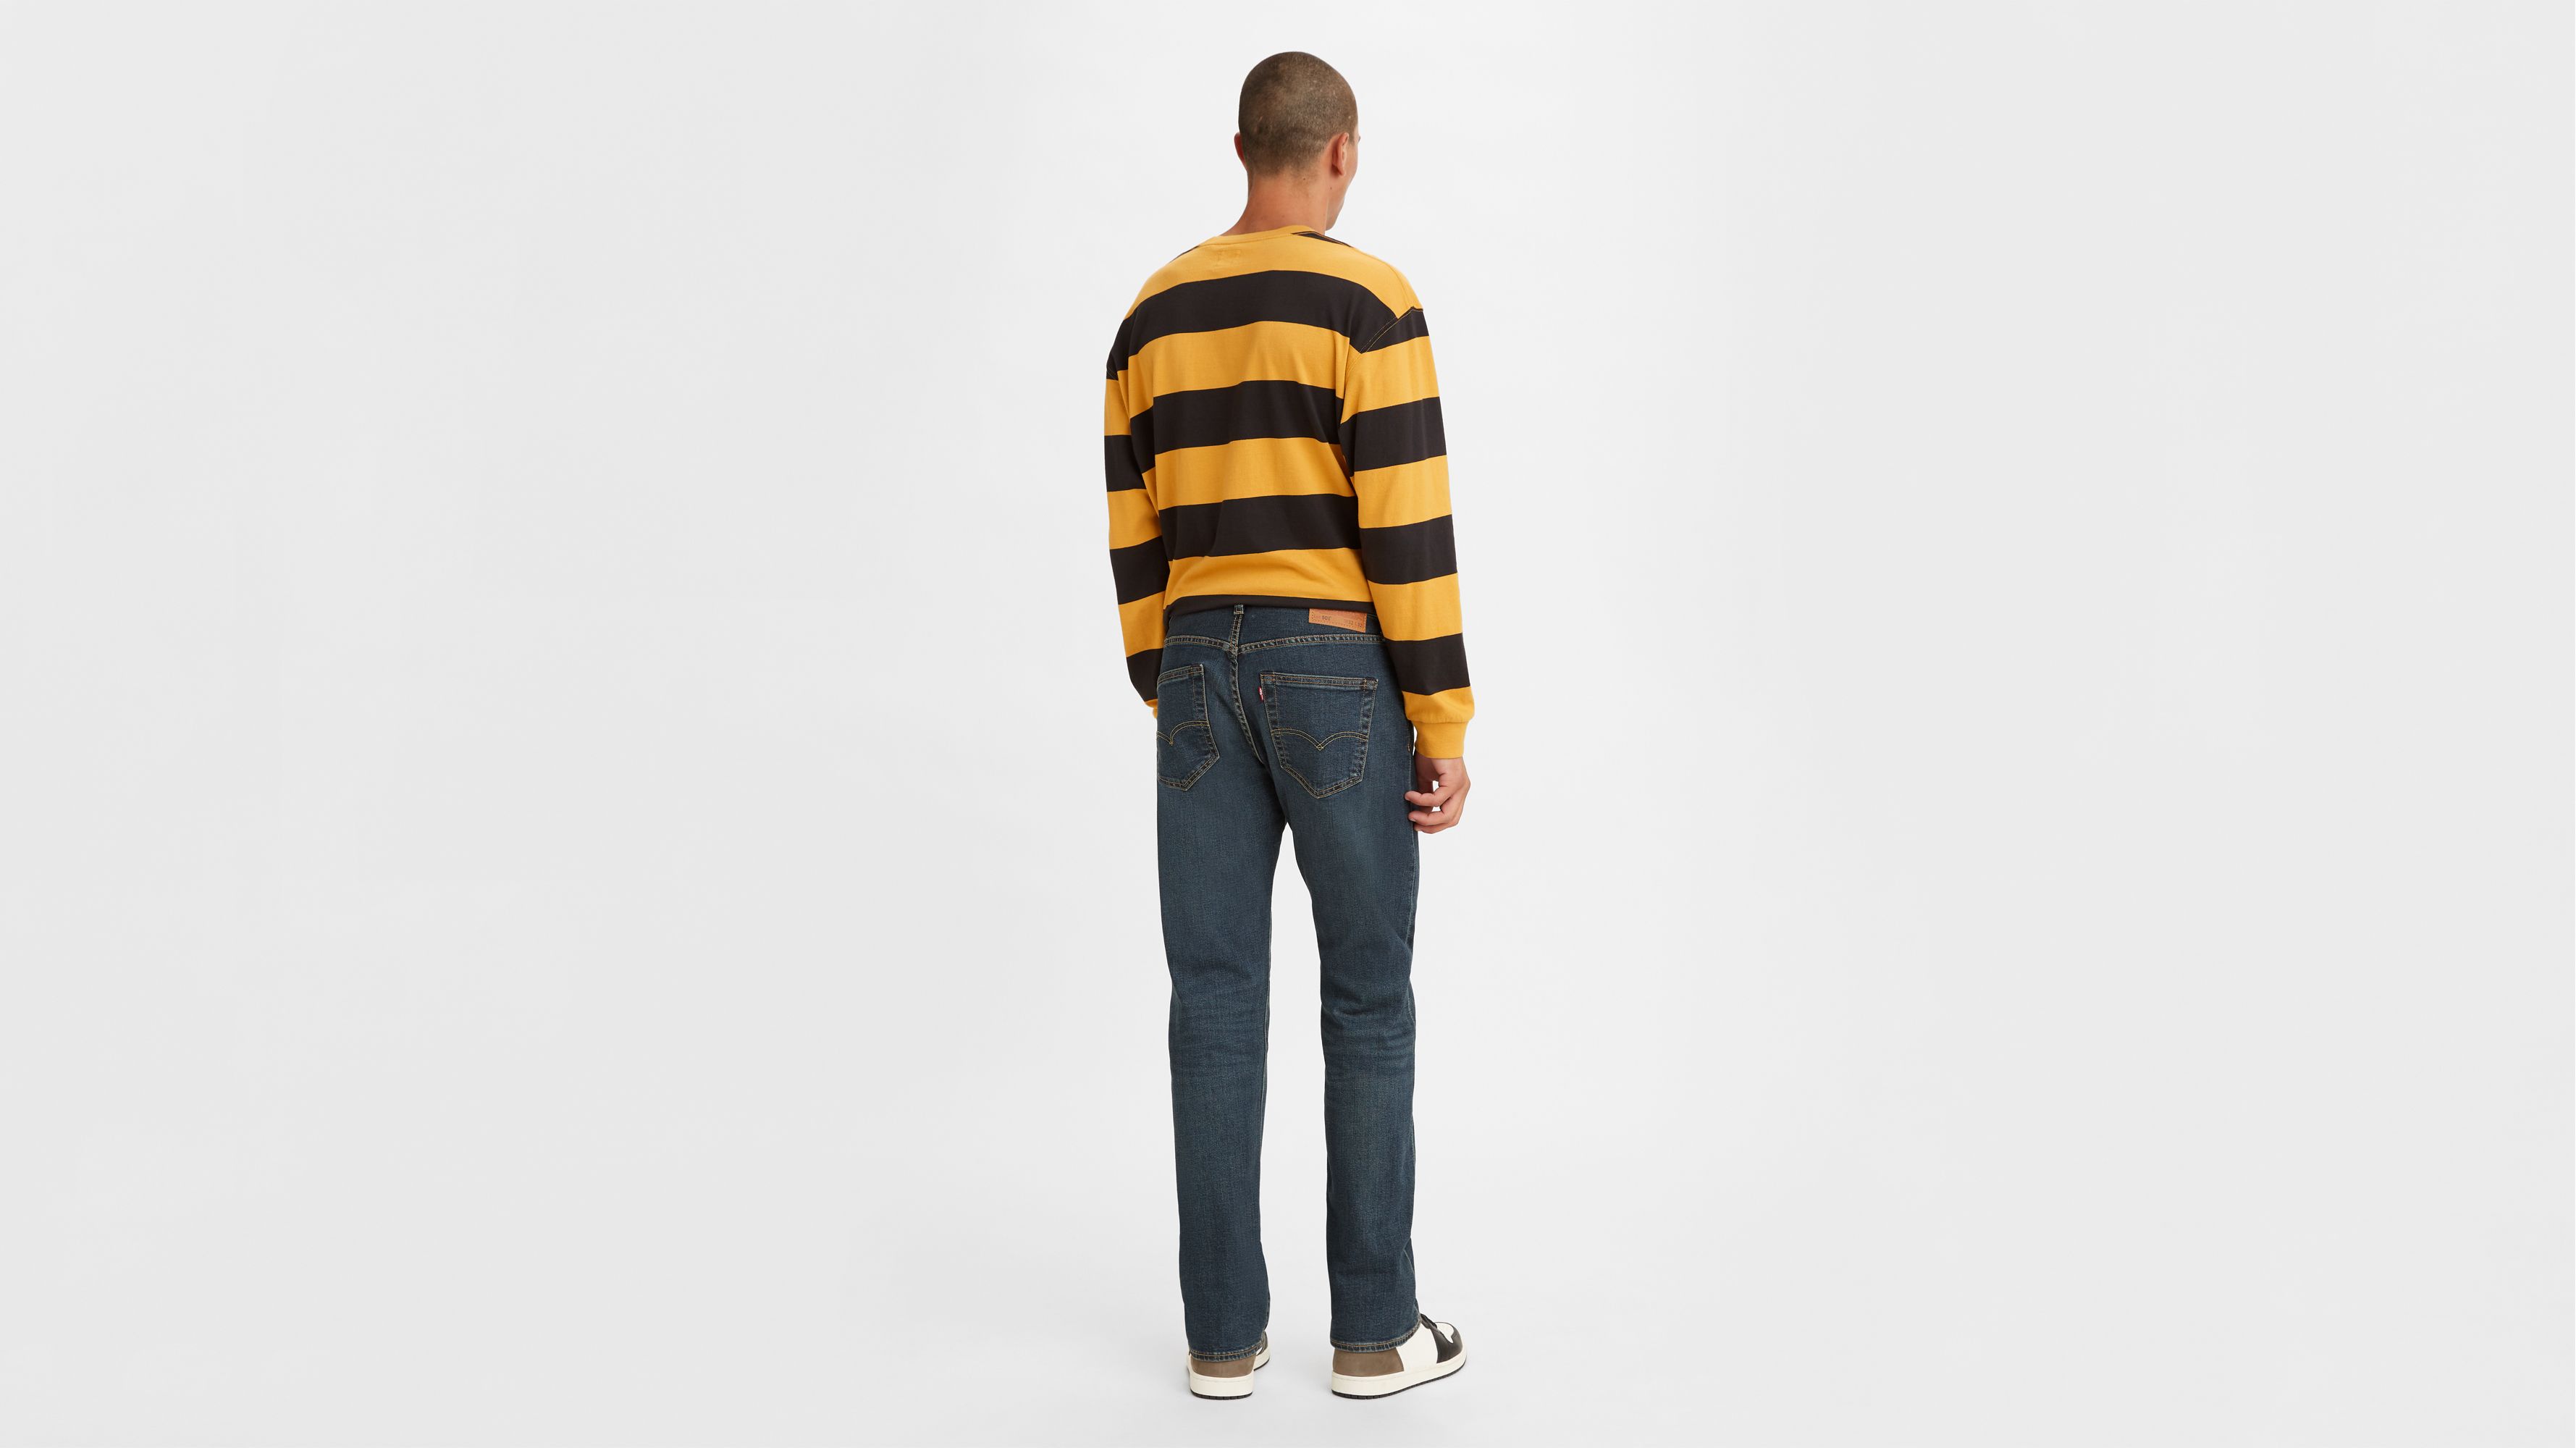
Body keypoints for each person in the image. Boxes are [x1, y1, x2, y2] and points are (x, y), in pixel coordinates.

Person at [1100, 51, 1474, 1402]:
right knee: (1365, 997)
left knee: (1211, 999)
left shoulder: (1152, 313)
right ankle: (1372, 1333)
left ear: (1241, 148)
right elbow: (1407, 523)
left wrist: (1168, 681)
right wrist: (1440, 718)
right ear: (1341, 151)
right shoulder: (1370, 303)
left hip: (1197, 659)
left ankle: (1220, 1340)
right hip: (1334, 665)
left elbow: (1132, 525)